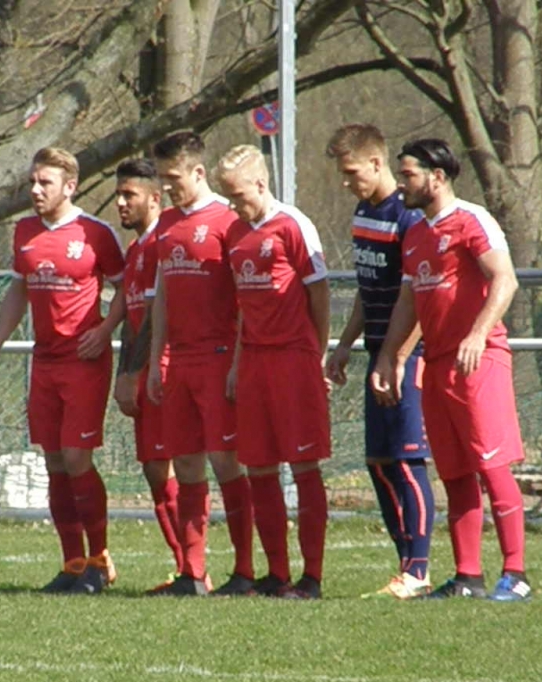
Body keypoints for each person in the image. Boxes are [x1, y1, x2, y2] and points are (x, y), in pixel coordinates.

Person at [372, 138, 530, 601]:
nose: (401, 185)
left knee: (491, 466)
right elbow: (408, 301)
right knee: (455, 473)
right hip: (438, 363)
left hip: (480, 359)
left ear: (437, 177)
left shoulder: (471, 220)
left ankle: (516, 574)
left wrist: (478, 334)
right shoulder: (415, 234)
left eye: (408, 175)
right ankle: (467, 577)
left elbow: (505, 279)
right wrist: (391, 356)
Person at [0, 147, 126, 594]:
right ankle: (73, 562)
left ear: (69, 187)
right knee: (55, 460)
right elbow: (17, 292)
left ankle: (100, 558)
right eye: (33, 182)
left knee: (78, 457)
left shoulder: (95, 233)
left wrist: (105, 329)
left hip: (84, 361)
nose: (36, 190)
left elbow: (127, 288)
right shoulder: (25, 232)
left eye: (46, 183)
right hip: (44, 361)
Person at [324, 124, 437, 599]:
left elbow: (418, 297)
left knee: (408, 461)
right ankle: (404, 563)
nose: (347, 182)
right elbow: (366, 289)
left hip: (408, 355)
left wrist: (397, 357)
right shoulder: (363, 213)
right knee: (378, 462)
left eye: (353, 172)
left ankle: (419, 570)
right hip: (377, 352)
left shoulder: (406, 217)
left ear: (376, 162)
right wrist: (345, 345)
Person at [215, 144, 331, 599]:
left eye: (239, 195)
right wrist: (237, 363)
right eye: (228, 196)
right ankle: (277, 574)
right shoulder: (235, 233)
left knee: (303, 464)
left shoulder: (293, 225)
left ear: (261, 184)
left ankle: (312, 577)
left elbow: (318, 293)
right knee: (259, 467)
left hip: (293, 359)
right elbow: (244, 305)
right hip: (254, 362)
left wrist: (315, 355)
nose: (233, 205)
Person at [146, 131, 254, 597]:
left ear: (198, 172)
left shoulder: (228, 220)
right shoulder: (167, 224)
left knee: (226, 462)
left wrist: (237, 362)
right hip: (179, 363)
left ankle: (245, 571)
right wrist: (157, 358)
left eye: (174, 177)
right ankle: (192, 572)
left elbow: (246, 299)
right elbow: (162, 295)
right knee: (186, 465)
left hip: (217, 359)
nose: (168, 186)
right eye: (162, 177)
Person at [111, 158, 185, 591]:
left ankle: (194, 568)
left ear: (155, 198)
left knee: (170, 467)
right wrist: (123, 373)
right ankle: (185, 567)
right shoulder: (136, 249)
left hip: (164, 370)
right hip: (142, 372)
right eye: (119, 194)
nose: (121, 203)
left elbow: (160, 318)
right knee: (155, 470)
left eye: (129, 195)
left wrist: (135, 371)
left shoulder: (164, 242)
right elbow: (132, 315)